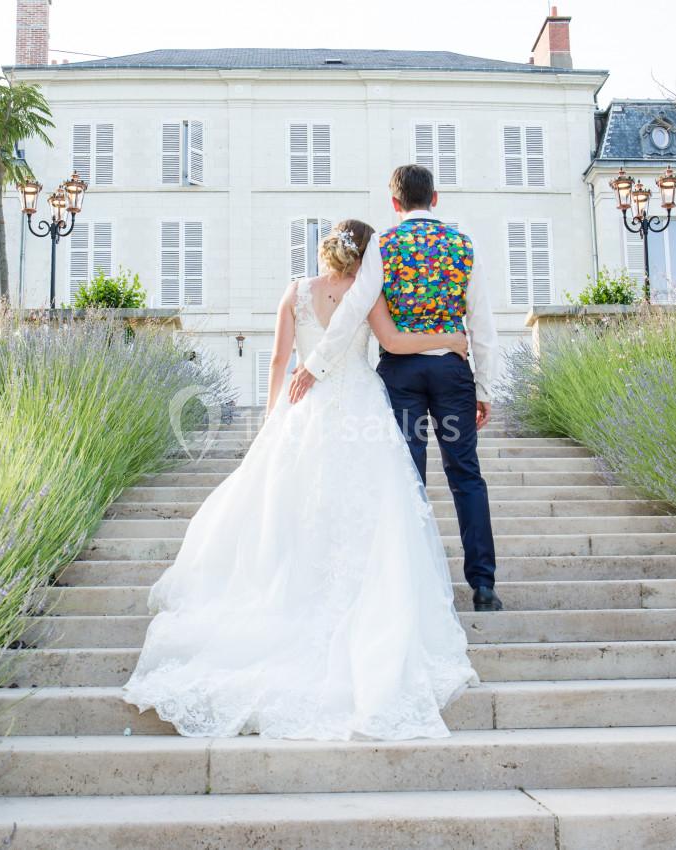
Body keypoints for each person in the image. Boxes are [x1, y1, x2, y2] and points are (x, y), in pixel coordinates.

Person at [122, 217, 478, 740]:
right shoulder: (366, 292)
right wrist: (452, 336)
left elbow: (280, 359)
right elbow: (396, 345)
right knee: (366, 507)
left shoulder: (297, 291)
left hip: (304, 405)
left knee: (293, 506)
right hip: (358, 404)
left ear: (328, 248)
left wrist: (271, 419)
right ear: (365, 256)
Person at [290, 163, 501, 612]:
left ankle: (415, 585)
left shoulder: (384, 245)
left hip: (400, 375)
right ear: (435, 198)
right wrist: (484, 387)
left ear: (394, 203)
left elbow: (353, 310)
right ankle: (483, 586)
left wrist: (315, 364)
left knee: (408, 477)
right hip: (451, 371)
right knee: (466, 476)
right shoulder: (464, 245)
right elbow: (481, 323)